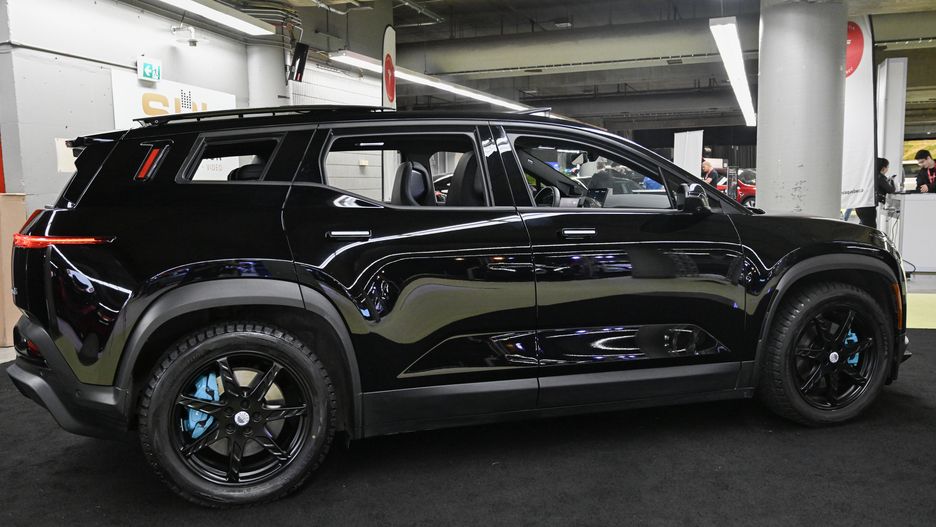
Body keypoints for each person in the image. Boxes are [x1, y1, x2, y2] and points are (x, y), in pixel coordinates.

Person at [854, 157, 895, 228]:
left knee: (864, 227)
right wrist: (892, 181)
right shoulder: (879, 177)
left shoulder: (870, 175)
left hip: (860, 206)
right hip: (868, 208)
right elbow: (891, 190)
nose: (888, 169)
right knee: (870, 228)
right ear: (883, 168)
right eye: (887, 167)